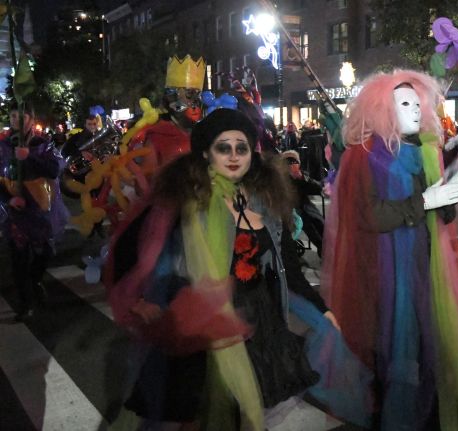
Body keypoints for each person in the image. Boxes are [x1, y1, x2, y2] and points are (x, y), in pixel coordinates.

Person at [106, 108, 370, 429]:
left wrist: (320, 309)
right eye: (223, 147)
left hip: (260, 322)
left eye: (241, 147)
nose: (233, 156)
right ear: (206, 153)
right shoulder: (186, 197)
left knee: (250, 409)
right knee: (214, 411)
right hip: (208, 324)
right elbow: (131, 244)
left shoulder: (266, 197)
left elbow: (288, 265)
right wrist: (141, 300)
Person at [324, 70, 458, 430]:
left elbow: (440, 214)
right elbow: (368, 216)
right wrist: (425, 199)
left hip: (423, 264)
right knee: (389, 345)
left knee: (423, 341)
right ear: (381, 110)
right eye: (403, 103)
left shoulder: (425, 151)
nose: (414, 109)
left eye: (416, 103)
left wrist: (455, 188)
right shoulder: (364, 156)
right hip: (383, 268)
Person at [0, 104, 68, 321]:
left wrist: (28, 156)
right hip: (16, 213)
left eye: (21, 116)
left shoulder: (43, 145)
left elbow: (55, 169)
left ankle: (36, 279)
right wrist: (10, 199)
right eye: (12, 116)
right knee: (18, 258)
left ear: (31, 119)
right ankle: (25, 303)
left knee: (44, 253)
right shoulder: (2, 146)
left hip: (40, 212)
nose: (15, 120)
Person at [281, 150, 325, 256]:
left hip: (305, 206)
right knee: (306, 221)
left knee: (318, 221)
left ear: (299, 163)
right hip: (287, 210)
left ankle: (326, 247)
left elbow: (318, 188)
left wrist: (301, 177)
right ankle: (323, 248)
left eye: (293, 161)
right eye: (287, 162)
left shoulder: (302, 175)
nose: (290, 165)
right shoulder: (279, 178)